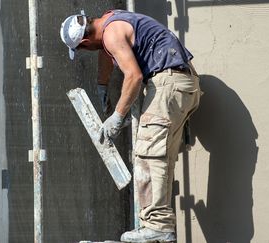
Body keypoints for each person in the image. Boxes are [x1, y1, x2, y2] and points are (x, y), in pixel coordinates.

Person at [60, 9, 201, 243]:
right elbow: (108, 54)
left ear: (84, 42)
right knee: (160, 157)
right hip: (181, 84)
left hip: (167, 85)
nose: (85, 51)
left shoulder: (111, 35)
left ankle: (157, 226)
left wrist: (117, 116)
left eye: (81, 49)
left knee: (148, 156)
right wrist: (102, 84)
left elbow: (134, 76)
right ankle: (158, 227)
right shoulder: (110, 20)